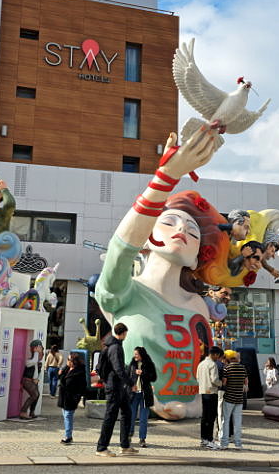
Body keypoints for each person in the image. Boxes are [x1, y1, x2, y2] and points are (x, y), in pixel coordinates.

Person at [93, 126, 222, 420]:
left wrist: (196, 406)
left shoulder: (197, 306)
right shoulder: (125, 292)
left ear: (197, 256)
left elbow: (206, 369)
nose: (180, 230)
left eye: (192, 230)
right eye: (170, 222)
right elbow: (120, 249)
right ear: (147, 236)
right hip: (133, 412)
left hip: (189, 422)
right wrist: (165, 179)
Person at [96, 322, 137, 457]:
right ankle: (101, 448)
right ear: (124, 333)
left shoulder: (113, 346)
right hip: (114, 386)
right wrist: (130, 382)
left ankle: (124, 446)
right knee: (110, 416)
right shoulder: (115, 348)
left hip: (118, 386)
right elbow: (118, 368)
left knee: (127, 412)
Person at [128, 346, 157, 448]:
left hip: (145, 394)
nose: (134, 356)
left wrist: (143, 373)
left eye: (136, 354)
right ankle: (129, 435)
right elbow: (127, 377)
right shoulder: (132, 364)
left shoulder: (149, 364)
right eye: (134, 354)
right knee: (131, 416)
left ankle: (142, 439)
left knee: (143, 418)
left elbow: (154, 377)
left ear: (141, 354)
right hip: (134, 394)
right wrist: (130, 386)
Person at [219, 349, 247, 449]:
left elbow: (224, 383)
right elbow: (246, 382)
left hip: (229, 398)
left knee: (225, 420)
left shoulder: (227, 369)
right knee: (238, 422)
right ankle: (238, 444)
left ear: (228, 359)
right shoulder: (243, 368)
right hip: (239, 398)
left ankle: (224, 443)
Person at [196, 345, 222, 449]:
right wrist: (221, 383)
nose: (218, 358)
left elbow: (197, 377)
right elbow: (214, 380)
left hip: (203, 391)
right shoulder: (212, 365)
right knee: (211, 417)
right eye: (218, 356)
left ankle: (203, 439)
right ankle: (210, 440)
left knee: (204, 416)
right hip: (211, 392)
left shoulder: (201, 364)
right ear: (214, 354)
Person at [57, 352, 86, 444]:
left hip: (71, 397)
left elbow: (81, 386)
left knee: (68, 416)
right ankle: (68, 435)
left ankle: (68, 436)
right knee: (66, 416)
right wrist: (62, 371)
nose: (67, 361)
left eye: (69, 360)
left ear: (74, 361)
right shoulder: (67, 369)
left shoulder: (80, 372)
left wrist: (77, 397)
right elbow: (61, 379)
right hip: (64, 397)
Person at [20, 339, 44, 419]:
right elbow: (34, 361)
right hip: (27, 381)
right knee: (34, 395)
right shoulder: (29, 361)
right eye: (39, 347)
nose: (41, 350)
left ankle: (32, 412)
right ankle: (23, 412)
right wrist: (36, 351)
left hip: (33, 381)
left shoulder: (37, 362)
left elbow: (38, 372)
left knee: (37, 395)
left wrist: (37, 379)